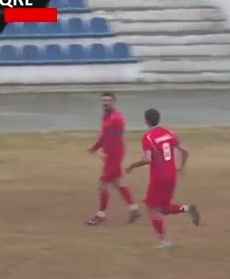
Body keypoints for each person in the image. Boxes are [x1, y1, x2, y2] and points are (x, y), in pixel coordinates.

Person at [126, 108, 200, 249]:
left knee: (152, 208)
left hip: (159, 177)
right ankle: (187, 209)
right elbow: (186, 151)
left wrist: (132, 166)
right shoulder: (168, 133)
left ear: (146, 121)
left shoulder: (148, 137)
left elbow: (147, 159)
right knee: (164, 208)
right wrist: (181, 167)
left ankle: (164, 241)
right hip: (171, 175)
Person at [86, 92, 139, 226]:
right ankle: (134, 209)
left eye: (108, 100)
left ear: (114, 102)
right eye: (104, 101)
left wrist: (106, 153)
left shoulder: (116, 119)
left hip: (114, 156)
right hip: (111, 155)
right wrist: (98, 148)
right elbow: (105, 137)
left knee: (103, 184)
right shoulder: (107, 117)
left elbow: (114, 139)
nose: (106, 103)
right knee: (118, 183)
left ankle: (101, 214)